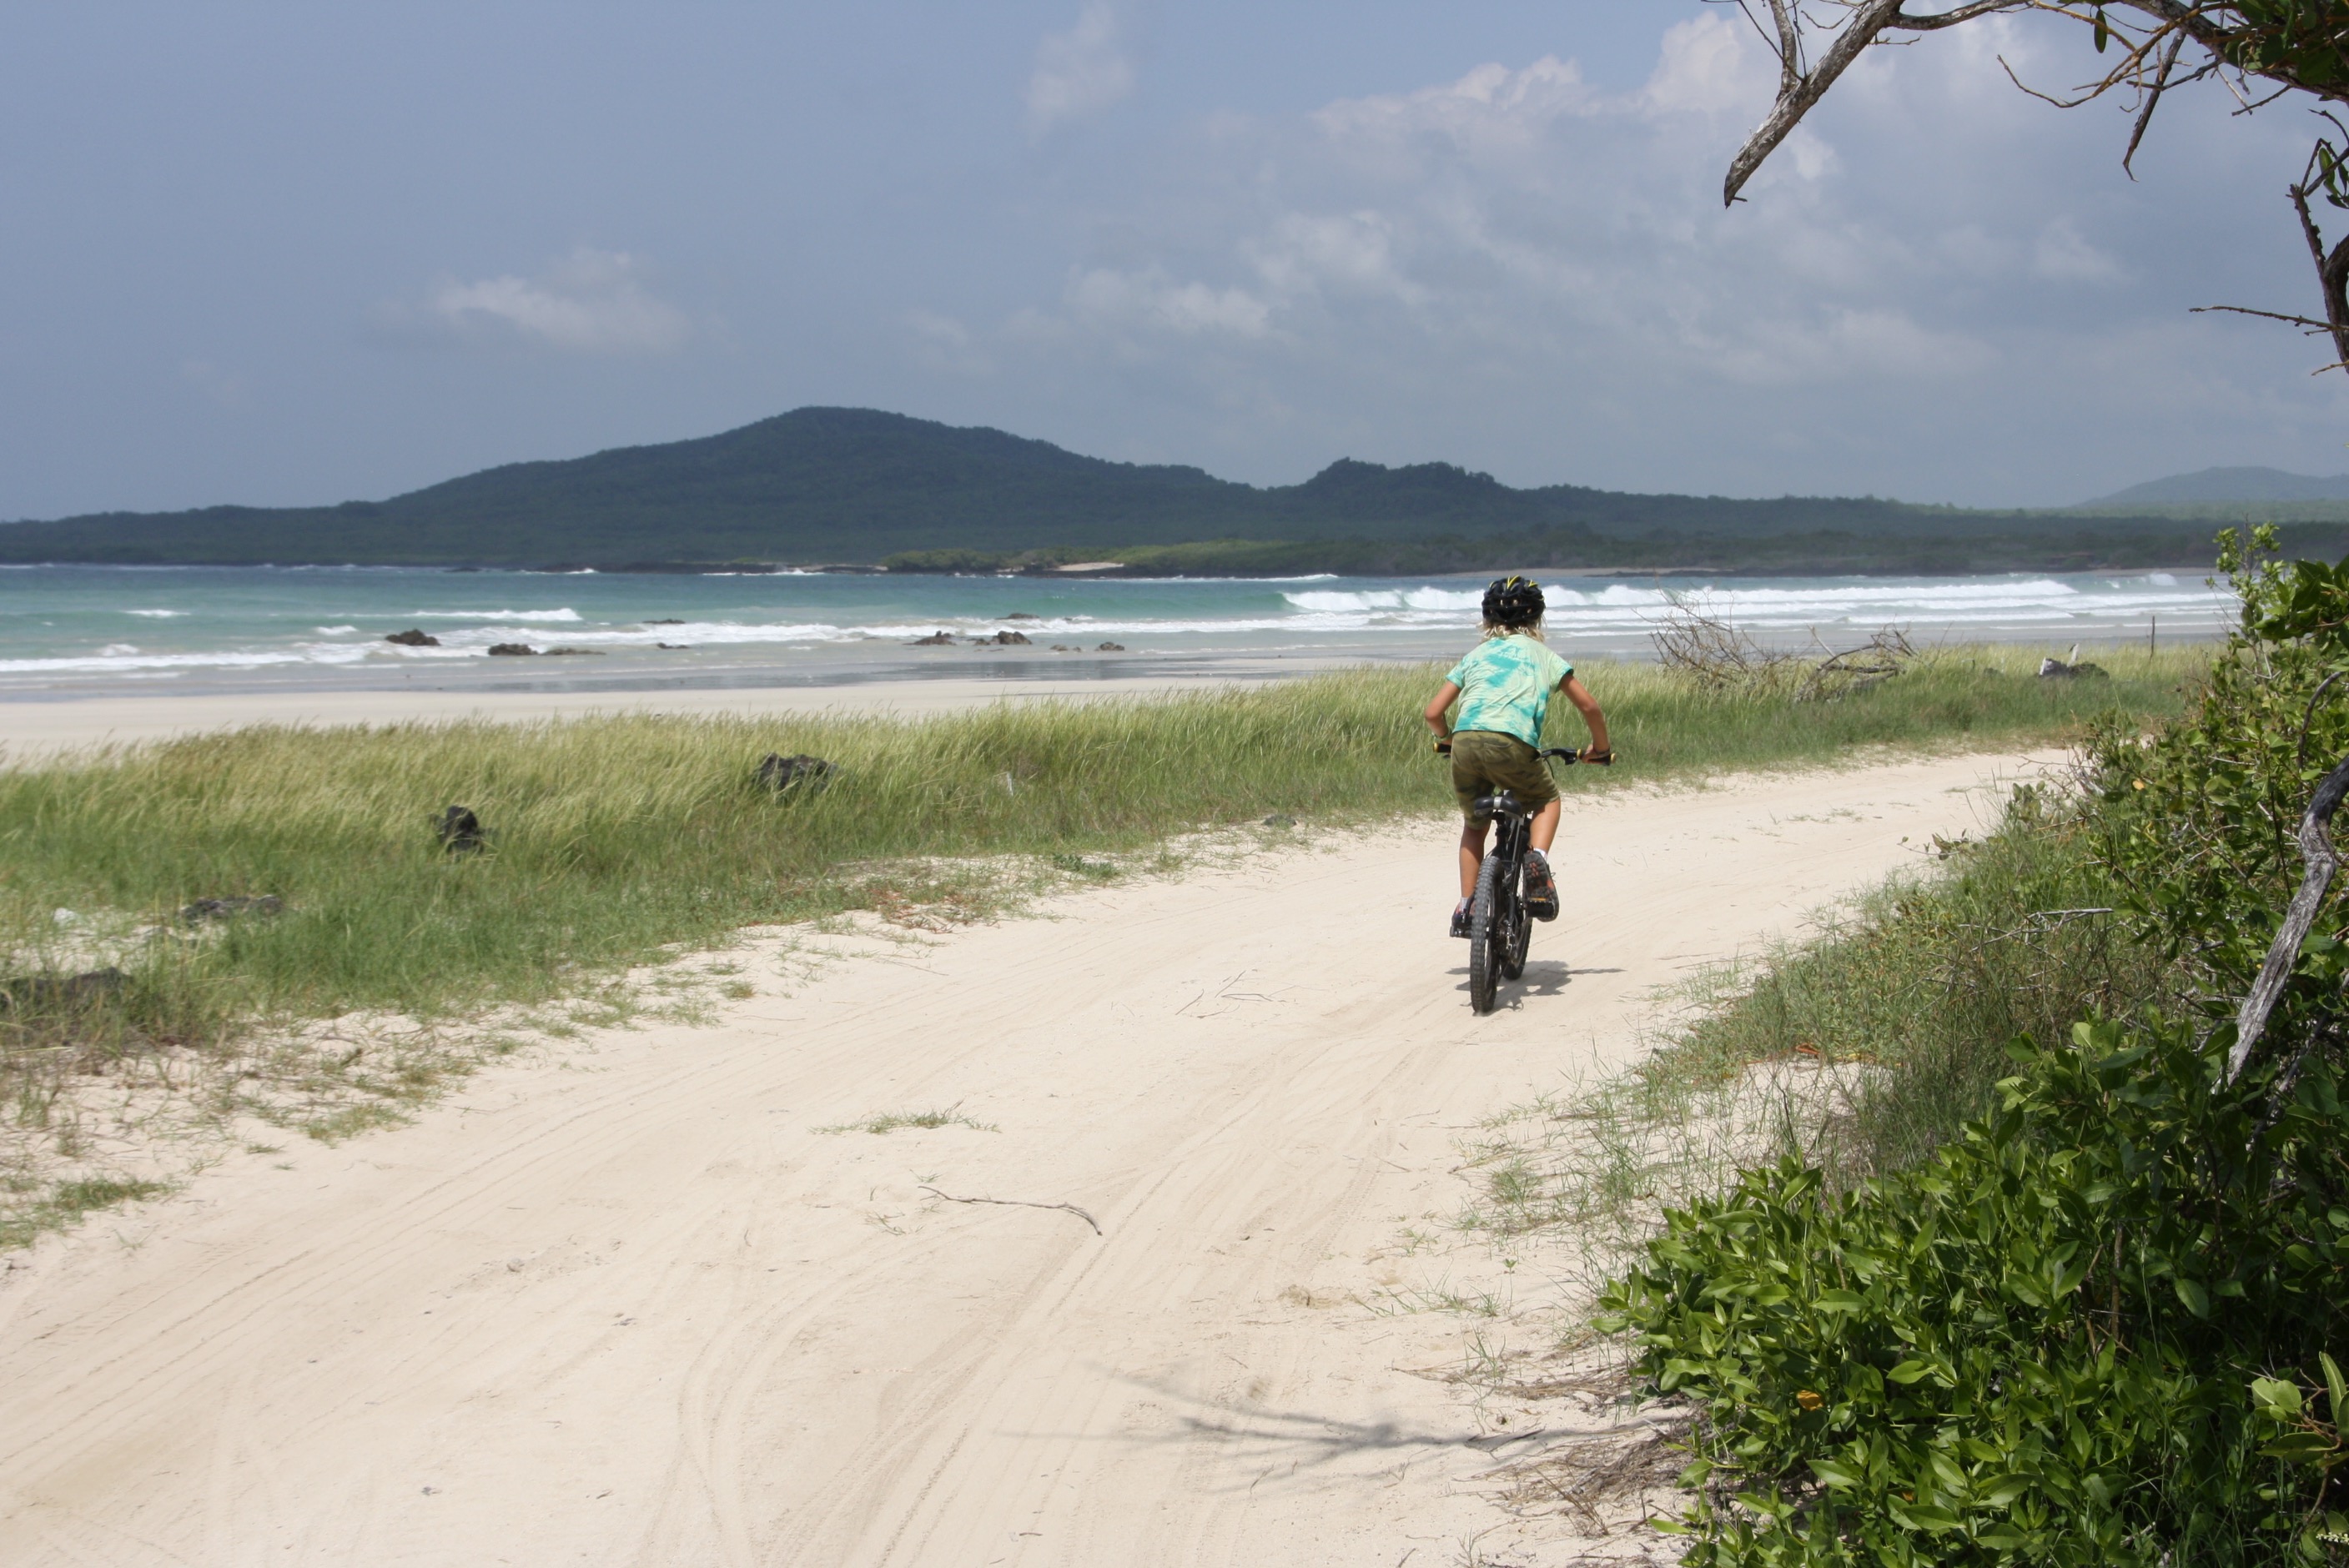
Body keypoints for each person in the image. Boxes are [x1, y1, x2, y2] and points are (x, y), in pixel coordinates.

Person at [1422, 575, 1610, 937]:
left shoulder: (1475, 656)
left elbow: (1433, 712)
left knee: (1474, 825)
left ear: (1487, 619)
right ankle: (1537, 861)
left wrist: (1446, 740)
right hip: (1514, 743)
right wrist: (1600, 750)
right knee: (1546, 799)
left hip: (1464, 743)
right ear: (1537, 617)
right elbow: (1590, 706)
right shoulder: (1545, 656)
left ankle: (1467, 907)